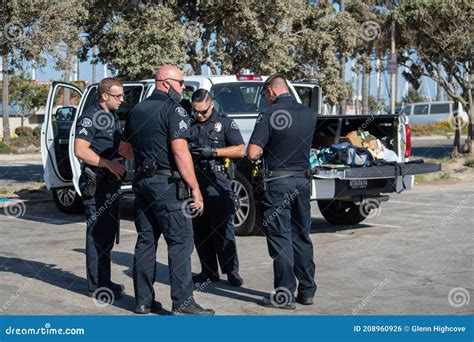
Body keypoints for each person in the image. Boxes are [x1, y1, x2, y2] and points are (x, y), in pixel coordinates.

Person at [123, 65, 215, 316]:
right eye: (181, 83)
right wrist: (195, 187)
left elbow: (125, 149)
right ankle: (183, 303)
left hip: (142, 183)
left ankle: (142, 301)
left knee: (145, 241)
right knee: (180, 242)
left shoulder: (137, 109)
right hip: (167, 186)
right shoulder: (174, 110)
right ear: (165, 83)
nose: (183, 88)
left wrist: (145, 159)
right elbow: (179, 151)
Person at [247, 74, 317, 309]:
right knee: (302, 236)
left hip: (278, 183)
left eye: (264, 94)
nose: (265, 98)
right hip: (303, 181)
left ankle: (285, 295)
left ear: (271, 91)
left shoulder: (268, 115)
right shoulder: (309, 113)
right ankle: (307, 291)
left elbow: (252, 153)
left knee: (280, 238)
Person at [74, 77, 133, 300]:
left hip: (110, 184)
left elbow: (118, 146)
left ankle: (104, 280)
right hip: (96, 185)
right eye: (118, 96)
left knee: (107, 235)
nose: (122, 100)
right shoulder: (90, 117)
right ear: (104, 96)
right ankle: (97, 286)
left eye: (123, 95)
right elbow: (80, 149)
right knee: (96, 235)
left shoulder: (110, 117)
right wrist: (108, 163)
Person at [189, 89, 245, 287]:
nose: (199, 115)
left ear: (211, 105)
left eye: (203, 111)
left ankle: (231, 271)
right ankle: (208, 271)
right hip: (195, 182)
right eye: (195, 111)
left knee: (223, 230)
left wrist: (214, 152)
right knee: (200, 230)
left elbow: (240, 149)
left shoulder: (225, 122)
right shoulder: (189, 124)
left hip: (218, 181)